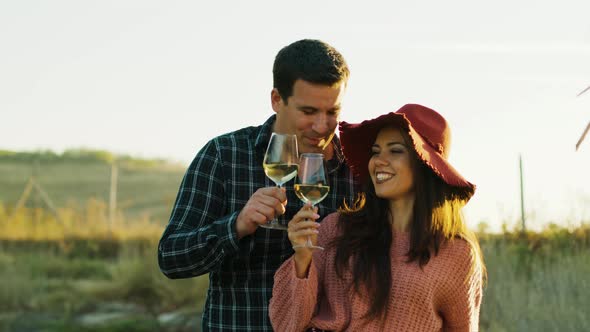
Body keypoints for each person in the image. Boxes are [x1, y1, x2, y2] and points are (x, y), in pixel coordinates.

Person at [157, 39, 359, 331]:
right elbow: (171, 258)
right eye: (308, 111)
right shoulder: (225, 155)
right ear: (277, 99)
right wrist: (236, 226)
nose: (321, 126)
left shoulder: (355, 170)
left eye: (332, 112)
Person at [269, 103, 486, 331]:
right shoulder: (336, 229)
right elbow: (286, 325)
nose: (378, 161)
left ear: (426, 165)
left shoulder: (457, 253)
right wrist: (302, 258)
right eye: (375, 151)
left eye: (395, 150)